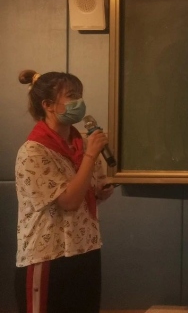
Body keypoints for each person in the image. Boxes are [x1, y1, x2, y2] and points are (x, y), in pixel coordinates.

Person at [14, 69, 114, 313]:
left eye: (80, 95)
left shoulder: (82, 143)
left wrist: (101, 191)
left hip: (86, 249)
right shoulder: (33, 151)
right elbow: (68, 201)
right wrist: (91, 154)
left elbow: (88, 190)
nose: (79, 101)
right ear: (48, 105)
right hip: (48, 256)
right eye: (71, 96)